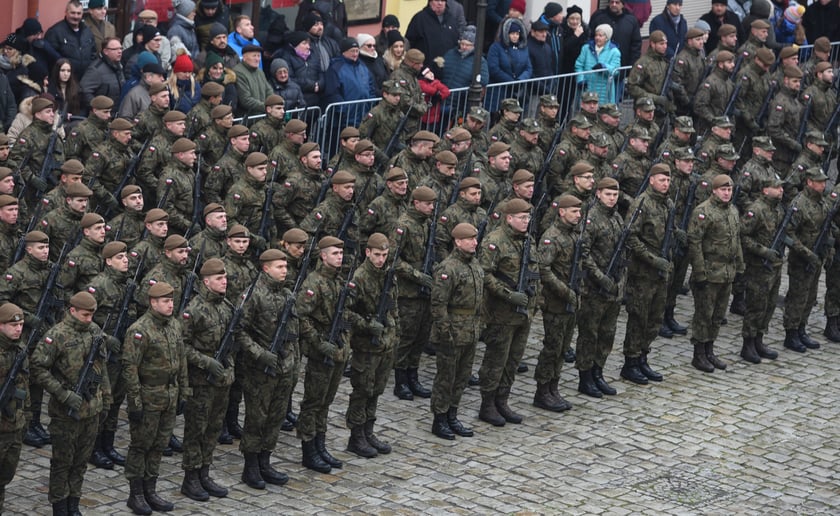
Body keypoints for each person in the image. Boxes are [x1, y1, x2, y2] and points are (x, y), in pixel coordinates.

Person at [32, 291, 113, 516]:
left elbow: (101, 368)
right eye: (85, 315)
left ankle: (73, 503)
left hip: (91, 410)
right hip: (65, 412)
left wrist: (106, 399)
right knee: (62, 462)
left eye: (92, 315)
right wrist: (63, 394)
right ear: (72, 311)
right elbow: (38, 367)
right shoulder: (56, 335)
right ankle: (59, 505)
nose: (89, 319)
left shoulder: (95, 332)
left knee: (81, 461)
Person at [122, 281, 189, 514]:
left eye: (172, 300)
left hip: (169, 395)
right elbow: (130, 368)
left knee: (159, 445)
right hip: (148, 396)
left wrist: (184, 391)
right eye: (165, 301)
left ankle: (150, 489)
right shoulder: (140, 330)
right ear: (153, 302)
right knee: (141, 445)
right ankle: (136, 493)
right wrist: (135, 403)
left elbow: (181, 361)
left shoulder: (174, 326)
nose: (170, 305)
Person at [296, 236, 358, 473]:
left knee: (326, 401)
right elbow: (301, 317)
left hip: (338, 347)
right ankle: (309, 448)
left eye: (341, 254)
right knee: (313, 401)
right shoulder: (315, 282)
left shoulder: (338, 280)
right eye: (334, 254)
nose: (339, 257)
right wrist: (319, 343)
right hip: (321, 349)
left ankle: (320, 445)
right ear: (322, 255)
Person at [237, 249, 296, 488]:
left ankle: (265, 460)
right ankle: (250, 466)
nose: (284, 271)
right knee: (257, 418)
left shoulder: (287, 294)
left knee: (275, 417)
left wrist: (292, 364)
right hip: (259, 369)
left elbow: (294, 334)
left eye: (285, 267)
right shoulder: (253, 295)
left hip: (283, 366)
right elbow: (239, 331)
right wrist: (260, 354)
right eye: (279, 267)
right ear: (265, 268)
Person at [477, 198, 538, 426]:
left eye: (528, 217)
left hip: (523, 312)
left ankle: (502, 400)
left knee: (513, 360)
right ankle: (488, 404)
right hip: (501, 313)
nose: (526, 221)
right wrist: (507, 294)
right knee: (496, 360)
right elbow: (485, 274)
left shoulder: (527, 241)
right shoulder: (494, 241)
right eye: (522, 218)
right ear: (509, 218)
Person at [179, 258, 233, 501]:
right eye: (219, 279)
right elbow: (182, 346)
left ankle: (204, 472)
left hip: (221, 380)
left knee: (213, 428)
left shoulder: (226, 306)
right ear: (206, 281)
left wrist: (229, 366)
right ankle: (190, 478)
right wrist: (205, 362)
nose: (224, 282)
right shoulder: (194, 309)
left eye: (225, 278)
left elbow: (231, 341)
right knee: (196, 430)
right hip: (201, 382)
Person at [343, 233, 397, 456]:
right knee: (362, 390)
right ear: (367, 252)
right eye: (377, 255)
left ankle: (368, 431)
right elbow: (346, 312)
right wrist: (366, 325)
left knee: (376, 390)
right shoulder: (359, 278)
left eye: (384, 255)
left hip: (384, 343)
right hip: (366, 346)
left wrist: (394, 334)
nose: (381, 259)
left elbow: (394, 307)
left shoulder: (387, 275)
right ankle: (356, 436)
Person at [621, 163, 673, 385]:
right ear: (651, 180)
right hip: (643, 272)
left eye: (668, 180)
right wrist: (653, 260)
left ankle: (643, 356)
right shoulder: (641, 203)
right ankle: (630, 362)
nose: (666, 184)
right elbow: (630, 237)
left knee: (654, 317)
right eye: (662, 180)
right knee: (638, 317)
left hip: (660, 272)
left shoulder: (668, 203)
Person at [688, 174, 744, 372]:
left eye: (729, 190)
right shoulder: (703, 212)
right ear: (714, 190)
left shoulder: (733, 211)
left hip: (727, 272)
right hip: (709, 272)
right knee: (704, 314)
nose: (727, 193)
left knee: (718, 314)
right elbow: (694, 243)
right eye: (723, 190)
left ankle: (710, 350)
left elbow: (736, 241)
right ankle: (699, 354)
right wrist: (700, 272)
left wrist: (740, 266)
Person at [576, 178, 624, 397]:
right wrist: (599, 277)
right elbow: (583, 255)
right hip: (593, 288)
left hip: (613, 285)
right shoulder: (591, 219)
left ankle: (598, 372)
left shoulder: (617, 218)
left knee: (607, 333)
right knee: (589, 333)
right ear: (598, 194)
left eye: (615, 195)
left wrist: (619, 280)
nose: (612, 199)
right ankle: (585, 377)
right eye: (608, 195)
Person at [535, 195, 582, 412]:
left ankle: (554, 386)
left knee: (563, 346)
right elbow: (543, 269)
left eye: (579, 212)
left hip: (572, 299)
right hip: (555, 301)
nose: (578, 215)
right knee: (552, 347)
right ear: (561, 212)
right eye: (574, 211)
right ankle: (543, 390)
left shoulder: (574, 235)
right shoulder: (551, 237)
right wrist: (564, 291)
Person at [392, 186, 438, 400]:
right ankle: (400, 380)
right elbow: (394, 259)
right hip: (408, 291)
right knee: (407, 336)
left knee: (421, 335)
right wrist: (417, 275)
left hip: (425, 290)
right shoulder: (403, 226)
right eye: (428, 204)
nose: (431, 207)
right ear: (416, 203)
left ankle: (413, 374)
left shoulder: (427, 223)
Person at [783, 168, 830, 353]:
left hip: (817, 257)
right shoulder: (799, 203)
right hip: (801, 258)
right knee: (797, 296)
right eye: (819, 181)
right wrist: (805, 252)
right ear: (809, 182)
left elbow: (827, 227)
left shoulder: (822, 202)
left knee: (810, 296)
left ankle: (801, 328)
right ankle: (791, 332)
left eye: (824, 181)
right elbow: (788, 233)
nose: (823, 184)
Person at [739, 177, 785, 363]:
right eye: (777, 187)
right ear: (765, 190)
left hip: (775, 266)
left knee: (770, 304)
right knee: (756, 305)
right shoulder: (755, 210)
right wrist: (764, 251)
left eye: (781, 187)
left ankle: (759, 339)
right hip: (758, 266)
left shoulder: (778, 209)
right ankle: (747, 343)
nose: (781, 190)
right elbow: (743, 236)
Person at [0, 303, 27, 514]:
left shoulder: (19, 349)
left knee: (6, 474)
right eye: (13, 325)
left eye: (21, 325)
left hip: (15, 423)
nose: (18, 329)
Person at [405, 0, 461, 78]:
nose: (440, 3)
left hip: (447, 74)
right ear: (430, 2)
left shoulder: (451, 20)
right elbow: (410, 45)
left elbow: (456, 45)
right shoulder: (419, 19)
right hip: (424, 74)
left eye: (442, 0)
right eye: (437, 0)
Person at [487, 18, 531, 115]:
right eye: (512, 33)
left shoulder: (523, 48)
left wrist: (520, 80)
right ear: (506, 34)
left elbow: (528, 68)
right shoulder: (496, 47)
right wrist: (510, 81)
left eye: (517, 34)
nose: (515, 36)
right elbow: (493, 68)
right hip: (498, 91)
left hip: (517, 90)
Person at [44, 0, 97, 80]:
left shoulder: (87, 31)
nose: (76, 16)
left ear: (82, 14)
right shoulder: (55, 32)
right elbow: (50, 59)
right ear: (66, 12)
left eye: (79, 13)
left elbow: (93, 54)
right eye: (73, 13)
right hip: (64, 82)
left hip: (85, 81)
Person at [575, 25, 622, 105]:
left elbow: (616, 70)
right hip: (587, 87)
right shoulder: (586, 48)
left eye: (600, 35)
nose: (597, 38)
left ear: (607, 38)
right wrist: (580, 79)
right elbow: (579, 65)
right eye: (596, 35)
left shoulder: (614, 52)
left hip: (604, 89)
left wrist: (604, 67)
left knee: (603, 113)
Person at [589, 0, 642, 68]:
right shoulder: (598, 17)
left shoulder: (631, 20)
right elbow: (590, 38)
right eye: (612, 2)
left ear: (622, 4)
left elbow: (636, 44)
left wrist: (632, 65)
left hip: (623, 64)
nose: (614, 4)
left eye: (617, 2)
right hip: (600, 64)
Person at [233, 45, 272, 118]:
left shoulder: (260, 72)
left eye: (258, 56)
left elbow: (268, 90)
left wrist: (273, 103)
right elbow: (245, 100)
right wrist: (267, 107)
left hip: (262, 115)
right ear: (244, 58)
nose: (257, 59)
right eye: (254, 56)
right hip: (247, 118)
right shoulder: (238, 72)